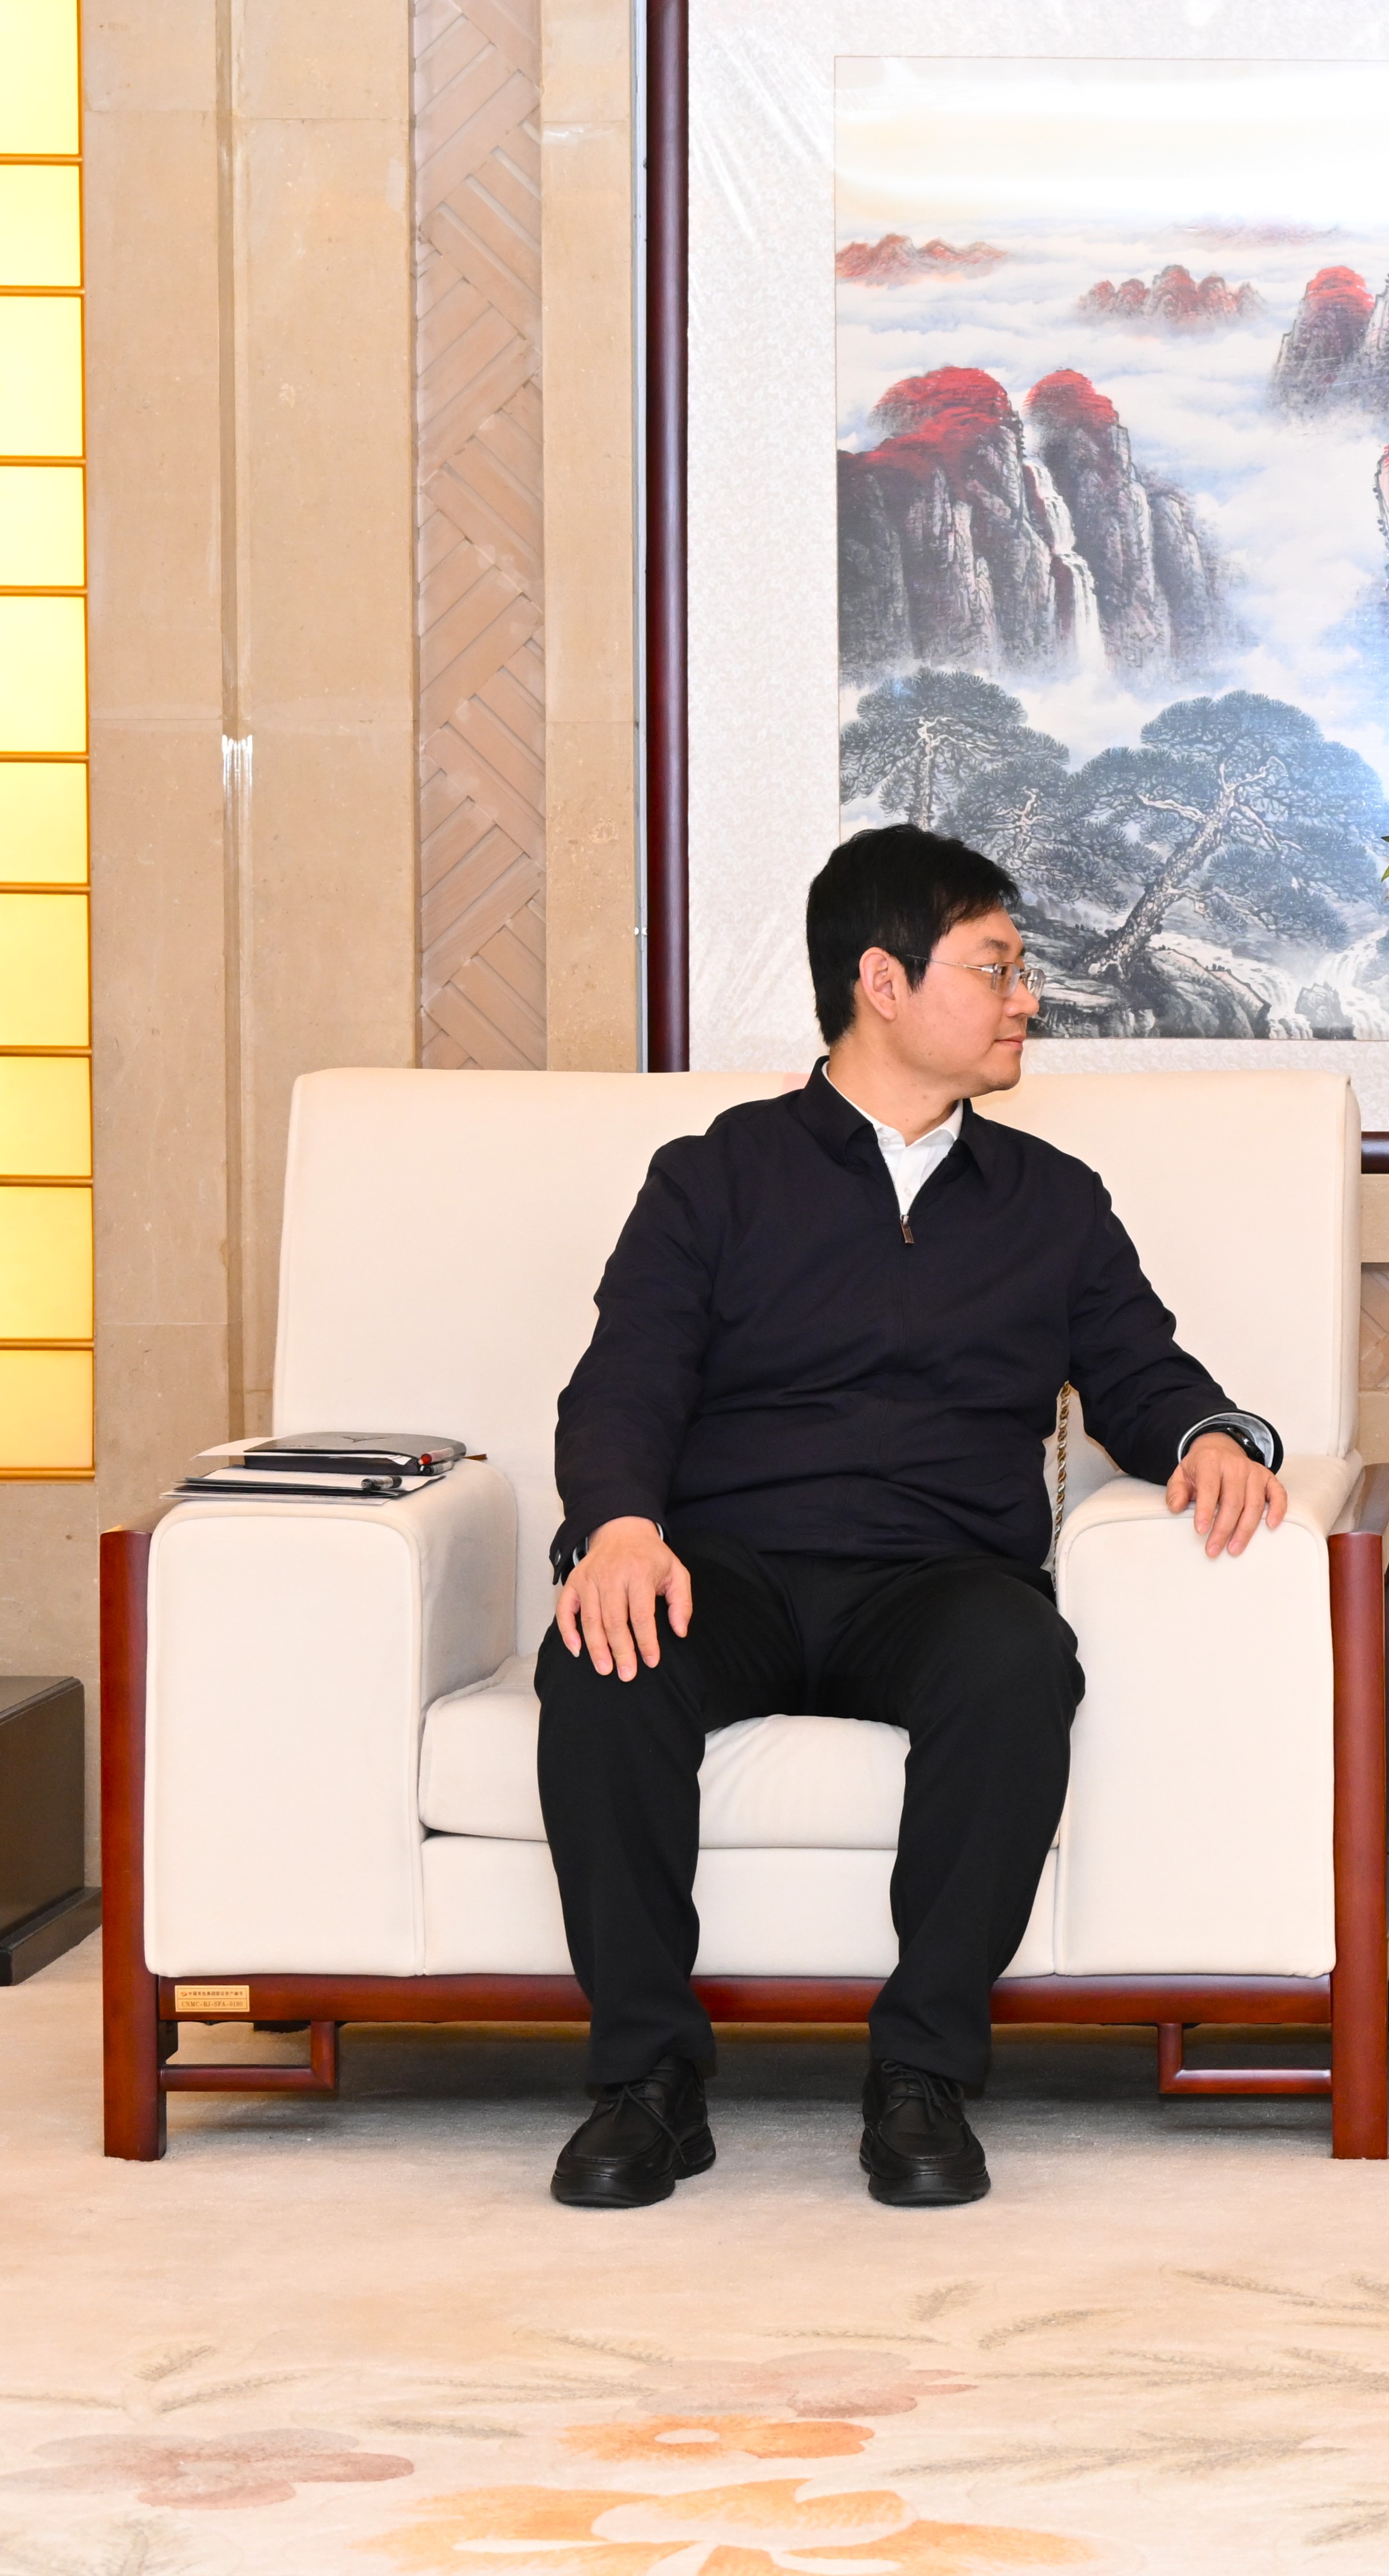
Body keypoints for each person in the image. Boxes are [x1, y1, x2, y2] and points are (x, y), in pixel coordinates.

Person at [535, 825, 1287, 2211]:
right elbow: (624, 1381)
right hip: (728, 1570)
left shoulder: (1048, 1201)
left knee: (1017, 1661)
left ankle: (921, 2072)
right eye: (994, 968)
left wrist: (1211, 1436)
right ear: (881, 982)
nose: (1026, 999)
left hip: (937, 1579)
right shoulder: (714, 1177)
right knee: (601, 1659)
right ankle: (646, 2080)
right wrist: (618, 1527)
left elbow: (1140, 1373)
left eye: (1020, 971)